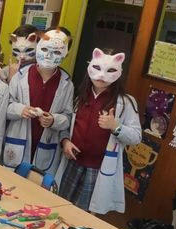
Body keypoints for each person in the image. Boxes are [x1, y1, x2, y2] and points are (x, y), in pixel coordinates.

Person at [56, 49, 141, 213]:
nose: (102, 76)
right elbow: (66, 125)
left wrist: (115, 127)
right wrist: (65, 141)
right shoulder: (79, 96)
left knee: (83, 215)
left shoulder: (125, 102)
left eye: (110, 70)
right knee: (59, 206)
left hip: (97, 169)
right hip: (72, 164)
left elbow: (136, 137)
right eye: (97, 68)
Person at [2, 27, 74, 176]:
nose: (49, 55)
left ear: (65, 54)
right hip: (18, 141)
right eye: (45, 49)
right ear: (38, 47)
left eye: (56, 52)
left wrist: (54, 120)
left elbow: (68, 118)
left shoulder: (67, 84)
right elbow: (5, 108)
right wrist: (20, 110)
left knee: (37, 183)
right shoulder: (20, 76)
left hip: (46, 145)